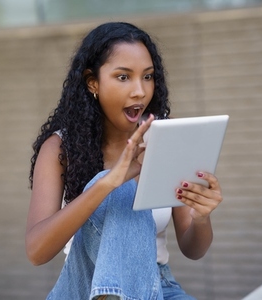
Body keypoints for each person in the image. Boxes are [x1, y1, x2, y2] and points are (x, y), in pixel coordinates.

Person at [26, 22, 223, 300]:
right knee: (122, 191)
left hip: (157, 284)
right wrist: (109, 182)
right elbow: (36, 252)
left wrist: (201, 218)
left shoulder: (164, 138)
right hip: (83, 285)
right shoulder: (61, 147)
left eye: (148, 76)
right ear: (92, 82)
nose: (140, 91)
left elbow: (193, 249)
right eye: (123, 77)